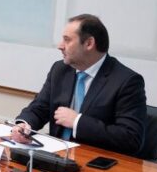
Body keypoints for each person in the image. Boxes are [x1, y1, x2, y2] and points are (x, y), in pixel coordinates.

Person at [10, 14, 147, 156]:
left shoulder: (127, 81)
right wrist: (24, 125)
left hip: (94, 164)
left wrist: (77, 122)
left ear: (89, 43)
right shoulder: (60, 69)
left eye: (67, 40)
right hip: (55, 157)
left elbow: (131, 139)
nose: (60, 46)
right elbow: (39, 108)